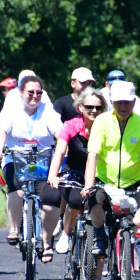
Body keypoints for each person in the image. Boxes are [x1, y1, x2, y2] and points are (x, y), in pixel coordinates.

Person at [82, 80, 140, 280]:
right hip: (105, 179)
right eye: (118, 102)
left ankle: (135, 261)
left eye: (127, 102)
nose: (123, 106)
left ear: (134, 102)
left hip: (132, 181)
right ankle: (100, 236)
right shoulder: (102, 122)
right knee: (94, 198)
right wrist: (89, 184)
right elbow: (93, 156)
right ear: (112, 103)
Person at [0, 74, 64, 257]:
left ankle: (47, 243)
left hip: (42, 160)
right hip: (16, 158)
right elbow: (1, 131)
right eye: (30, 92)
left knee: (50, 202)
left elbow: (59, 132)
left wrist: (64, 146)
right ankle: (15, 228)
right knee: (17, 190)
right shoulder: (11, 110)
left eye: (38, 93)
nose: (35, 96)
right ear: (21, 93)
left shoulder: (48, 111)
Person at [48, 87, 106, 254]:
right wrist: (53, 174)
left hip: (98, 175)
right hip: (74, 173)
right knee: (75, 201)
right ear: (80, 107)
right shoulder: (71, 126)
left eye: (98, 108)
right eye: (89, 107)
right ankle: (66, 232)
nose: (94, 111)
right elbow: (59, 151)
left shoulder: (107, 127)